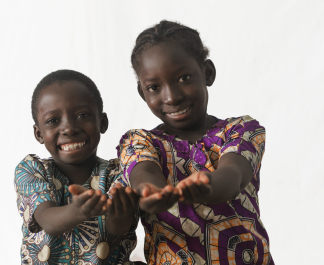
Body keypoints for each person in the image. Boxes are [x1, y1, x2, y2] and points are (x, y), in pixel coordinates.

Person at [118, 20, 273, 265]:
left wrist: (207, 186)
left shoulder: (240, 130)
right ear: (142, 93)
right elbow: (143, 174)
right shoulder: (140, 142)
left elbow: (233, 175)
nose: (171, 97)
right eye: (154, 87)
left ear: (207, 73)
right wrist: (154, 193)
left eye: (184, 78)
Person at [15, 70, 141, 265]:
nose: (68, 128)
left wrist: (120, 210)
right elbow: (48, 221)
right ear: (39, 134)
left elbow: (119, 229)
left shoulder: (120, 172)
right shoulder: (32, 170)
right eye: (53, 121)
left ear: (102, 122)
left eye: (82, 115)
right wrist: (80, 210)